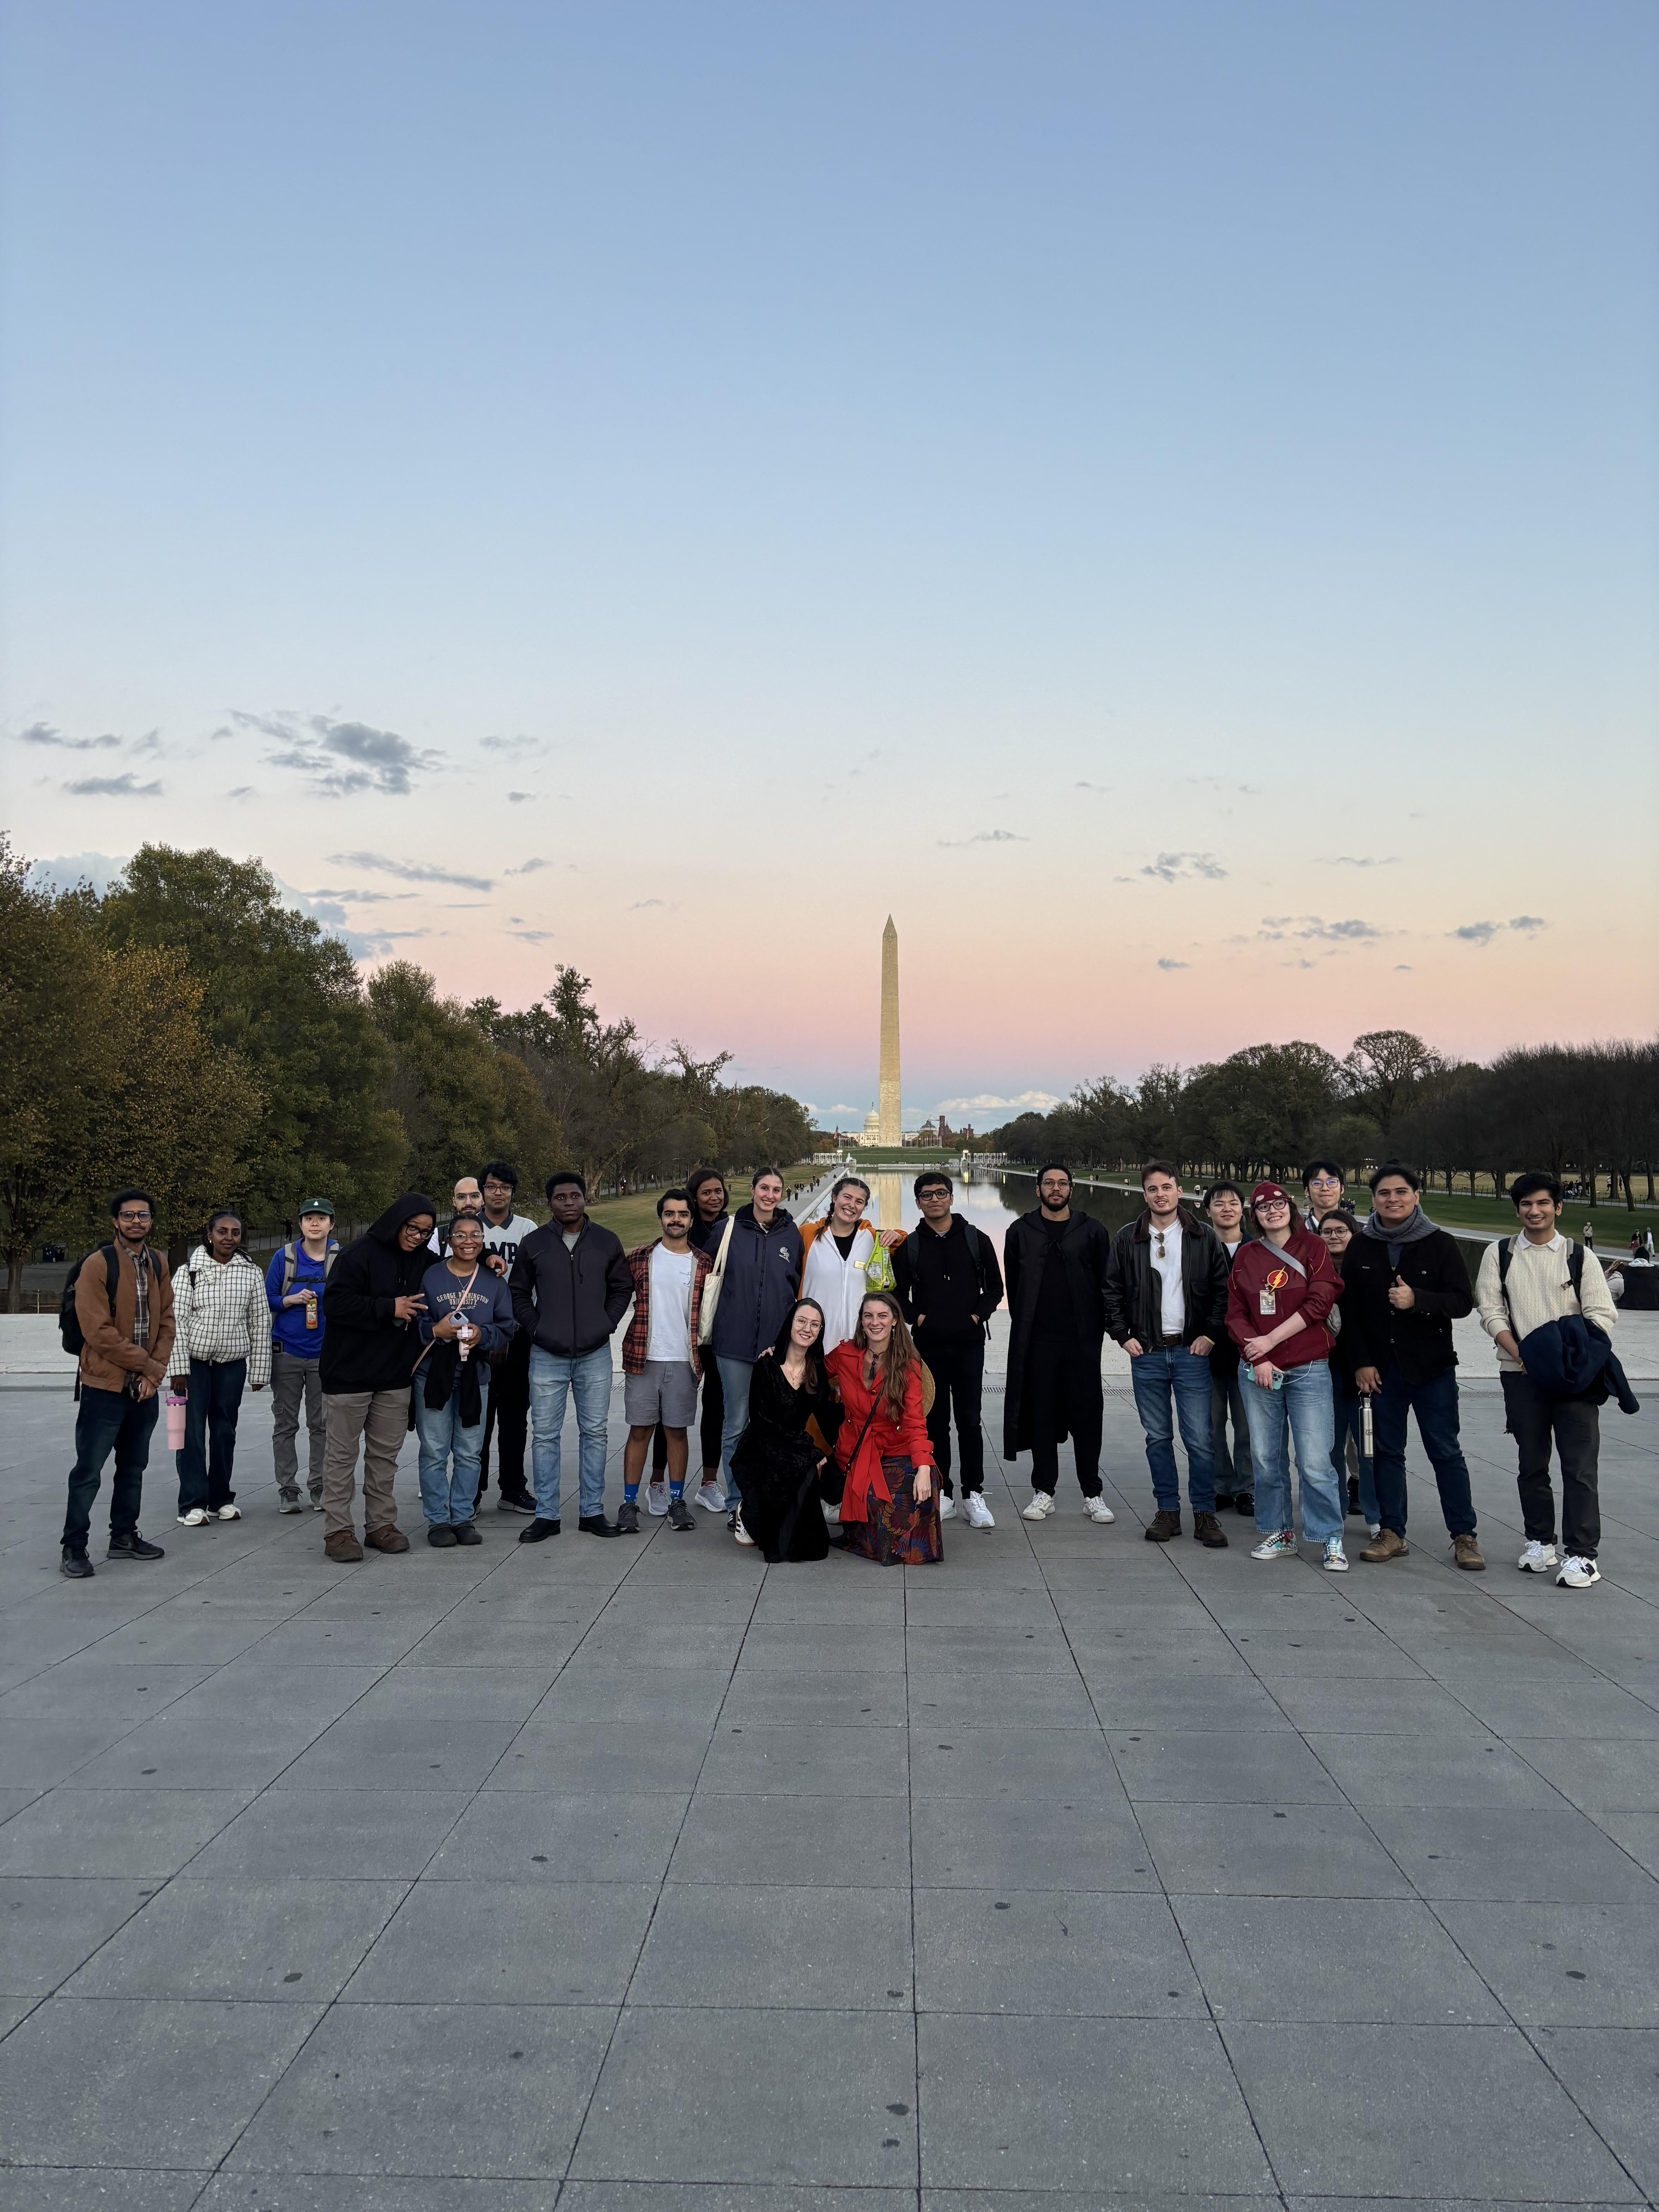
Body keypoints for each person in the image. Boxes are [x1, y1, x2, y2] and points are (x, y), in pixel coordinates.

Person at [1476, 1172, 1619, 1590]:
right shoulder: (1499, 1254)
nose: (1534, 1211)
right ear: (1517, 1208)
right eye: (1525, 1204)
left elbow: (1600, 1315)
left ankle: (1582, 1555)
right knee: (1532, 1462)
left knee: (1578, 1467)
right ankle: (1540, 1540)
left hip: (1574, 1376)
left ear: (1558, 1207)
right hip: (1520, 1374)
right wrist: (1524, 1354)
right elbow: (1490, 1309)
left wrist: (1566, 1357)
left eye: (1542, 1203)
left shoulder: (1579, 1256)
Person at [1341, 1164, 1482, 1570]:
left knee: (1446, 1451)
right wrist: (1362, 1363)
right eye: (1384, 1193)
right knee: (1386, 1454)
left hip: (1431, 1368)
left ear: (1417, 1197)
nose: (1393, 1199)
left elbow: (1461, 1302)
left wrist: (1417, 1299)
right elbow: (1349, 1311)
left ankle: (1464, 1535)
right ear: (1374, 1201)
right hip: (1381, 1371)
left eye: (1402, 1192)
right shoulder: (1362, 1246)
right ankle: (1392, 1532)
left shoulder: (1440, 1244)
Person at [1104, 1161, 1230, 1546]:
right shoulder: (1128, 1238)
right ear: (1144, 1194)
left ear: (1180, 1191)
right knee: (1158, 1437)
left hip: (1192, 1351)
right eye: (1153, 1189)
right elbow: (1111, 1291)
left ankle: (1205, 1514)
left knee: (1200, 1439)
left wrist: (1210, 1334)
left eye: (1167, 1187)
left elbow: (1223, 1292)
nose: (1161, 1194)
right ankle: (1168, 1511)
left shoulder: (1203, 1237)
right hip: (1148, 1354)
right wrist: (1122, 1335)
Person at [1225, 1180, 1347, 1569]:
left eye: (1278, 1204)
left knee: (1314, 1460)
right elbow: (1235, 1313)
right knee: (1266, 1457)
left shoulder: (1312, 1247)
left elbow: (1320, 1299)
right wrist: (1257, 1357)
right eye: (1263, 1207)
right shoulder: (1247, 1254)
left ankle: (1330, 1536)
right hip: (1259, 1371)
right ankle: (1280, 1531)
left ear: (1290, 1208)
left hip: (1308, 1367)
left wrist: (1270, 1341)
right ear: (1254, 1216)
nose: (1272, 1211)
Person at [510, 1170, 632, 1542]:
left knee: (594, 1433)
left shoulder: (606, 1242)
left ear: (584, 1199)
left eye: (574, 1196)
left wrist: (606, 1324)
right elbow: (518, 1294)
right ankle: (547, 1514)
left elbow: (622, 1287)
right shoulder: (534, 1244)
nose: (568, 1202)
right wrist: (538, 1328)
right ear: (550, 1203)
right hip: (547, 1354)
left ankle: (592, 1511)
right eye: (560, 1197)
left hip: (594, 1355)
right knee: (545, 1436)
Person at [59, 1188, 175, 1580]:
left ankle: (123, 1536)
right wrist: (147, 1368)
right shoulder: (98, 1264)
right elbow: (98, 1331)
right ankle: (74, 1545)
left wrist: (152, 1375)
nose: (136, 1222)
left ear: (151, 1221)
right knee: (89, 1470)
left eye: (143, 1215)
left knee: (133, 1467)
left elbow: (168, 1322)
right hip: (104, 1386)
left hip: (145, 1388)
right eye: (128, 1216)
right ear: (115, 1222)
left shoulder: (159, 1262)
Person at [318, 1193, 437, 1561]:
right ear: (396, 1221)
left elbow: (456, 1271)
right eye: (412, 1228)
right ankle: (338, 1531)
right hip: (348, 1374)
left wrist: (487, 1259)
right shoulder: (358, 1254)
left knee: (385, 1457)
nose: (417, 1236)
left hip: (394, 1376)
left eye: (425, 1232)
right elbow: (334, 1304)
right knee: (341, 1457)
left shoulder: (427, 1262)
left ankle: (380, 1526)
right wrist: (390, 1308)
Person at [893, 1170, 1004, 1530]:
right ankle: (942, 1493)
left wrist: (976, 1316)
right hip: (928, 1347)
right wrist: (918, 1318)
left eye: (941, 1193)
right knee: (933, 1422)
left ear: (952, 1198)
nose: (935, 1200)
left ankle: (974, 1494)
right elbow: (896, 1294)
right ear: (918, 1202)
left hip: (969, 1345)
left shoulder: (976, 1238)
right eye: (927, 1195)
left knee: (970, 1422)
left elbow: (996, 1288)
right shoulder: (911, 1245)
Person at [1004, 1165, 1115, 1523]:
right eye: (1049, 1184)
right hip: (1037, 1341)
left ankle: (1092, 1492)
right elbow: (1015, 1284)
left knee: (1087, 1415)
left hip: (1082, 1340)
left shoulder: (1093, 1230)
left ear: (1072, 1189)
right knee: (1042, 1414)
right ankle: (1044, 1491)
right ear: (1037, 1190)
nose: (1056, 1189)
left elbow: (1106, 1283)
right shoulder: (1020, 1231)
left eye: (1062, 1184)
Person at [703, 1166, 804, 1531]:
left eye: (777, 1190)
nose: (770, 1195)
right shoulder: (727, 1229)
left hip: (775, 1348)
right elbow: (705, 1276)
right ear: (752, 1189)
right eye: (765, 1188)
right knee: (736, 1424)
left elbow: (795, 1284)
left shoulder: (791, 1233)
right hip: (733, 1343)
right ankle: (737, 1502)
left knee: (773, 1426)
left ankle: (769, 1497)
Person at [413, 1212, 517, 1546]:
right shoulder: (430, 1277)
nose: (468, 1241)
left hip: (477, 1375)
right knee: (434, 1450)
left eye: (475, 1235)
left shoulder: (493, 1282)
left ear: (483, 1241)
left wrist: (480, 1335)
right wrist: (436, 1330)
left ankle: (462, 1516)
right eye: (460, 1235)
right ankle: (437, 1520)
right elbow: (414, 1324)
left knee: (471, 1450)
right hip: (435, 1374)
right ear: (448, 1240)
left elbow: (506, 1327)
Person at [618, 1189, 715, 1535]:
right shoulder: (639, 1258)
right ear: (660, 1218)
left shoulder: (704, 1263)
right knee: (640, 1430)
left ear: (691, 1219)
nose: (676, 1220)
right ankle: (629, 1503)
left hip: (684, 1359)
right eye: (670, 1214)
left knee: (677, 1431)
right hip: (644, 1357)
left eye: (683, 1214)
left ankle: (677, 1500)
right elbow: (614, 1297)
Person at [169, 1209, 270, 1527]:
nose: (229, 1238)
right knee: (192, 1434)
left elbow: (260, 1321)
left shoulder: (251, 1272)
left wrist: (259, 1371)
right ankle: (192, 1504)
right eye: (223, 1232)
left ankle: (220, 1498)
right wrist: (178, 1367)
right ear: (210, 1235)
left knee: (225, 1432)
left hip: (231, 1365)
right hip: (194, 1366)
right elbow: (176, 1321)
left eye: (236, 1233)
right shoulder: (189, 1272)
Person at [824, 1291, 941, 1564]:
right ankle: (879, 1541)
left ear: (895, 1321)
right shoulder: (844, 1354)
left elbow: (914, 1421)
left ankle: (904, 1546)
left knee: (925, 1480)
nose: (875, 1322)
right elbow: (809, 1367)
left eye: (882, 1316)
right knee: (879, 1495)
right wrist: (778, 1354)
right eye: (868, 1316)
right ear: (861, 1321)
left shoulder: (908, 1365)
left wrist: (924, 1466)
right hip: (855, 1448)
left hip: (894, 1446)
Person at [729, 1298, 842, 1561]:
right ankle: (748, 1511)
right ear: (790, 1323)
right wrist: (810, 1451)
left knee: (814, 1548)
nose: (808, 1328)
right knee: (804, 1465)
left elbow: (828, 1417)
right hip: (761, 1446)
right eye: (802, 1321)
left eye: (815, 1324)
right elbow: (761, 1423)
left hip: (793, 1448)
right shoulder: (766, 1366)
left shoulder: (816, 1371)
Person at [648, 1166, 731, 1516]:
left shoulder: (733, 1227)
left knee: (716, 1407)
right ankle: (657, 1481)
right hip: (681, 1333)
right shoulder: (683, 1230)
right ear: (694, 1197)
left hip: (718, 1332)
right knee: (666, 1413)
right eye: (706, 1193)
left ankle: (709, 1482)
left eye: (719, 1191)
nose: (714, 1197)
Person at [471, 1161, 539, 1515]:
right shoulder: (468, 1229)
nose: (498, 1193)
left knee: (515, 1416)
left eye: (505, 1188)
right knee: (478, 1416)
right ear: (482, 1190)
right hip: (475, 1335)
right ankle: (473, 1489)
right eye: (492, 1186)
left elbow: (535, 1284)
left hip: (518, 1333)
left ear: (513, 1192)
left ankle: (512, 1487)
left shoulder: (528, 1229)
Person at [264, 1199, 340, 1514]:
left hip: (326, 1354)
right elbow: (266, 1298)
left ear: (331, 1224)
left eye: (321, 1218)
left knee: (322, 1425)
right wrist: (290, 1299)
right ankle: (288, 1489)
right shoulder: (285, 1257)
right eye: (309, 1218)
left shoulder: (340, 1257)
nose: (315, 1224)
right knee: (285, 1425)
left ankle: (320, 1486)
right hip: (288, 1352)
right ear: (301, 1224)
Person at [1318, 1211, 1379, 1535]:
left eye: (1341, 1230)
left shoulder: (1367, 1270)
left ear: (1353, 1233)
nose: (1334, 1236)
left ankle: (1375, 1515)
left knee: (1368, 1447)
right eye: (1326, 1231)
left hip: (1362, 1370)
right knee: (1329, 1448)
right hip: (1324, 1370)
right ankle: (1334, 1510)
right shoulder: (1312, 1271)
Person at [799, 1175, 906, 1352]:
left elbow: (904, 1246)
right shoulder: (808, 1234)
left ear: (864, 1207)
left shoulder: (873, 1238)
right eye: (847, 1198)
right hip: (814, 1343)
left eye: (859, 1202)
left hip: (860, 1345)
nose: (851, 1205)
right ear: (834, 1198)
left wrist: (898, 1235)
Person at [1200, 1183, 1254, 1517]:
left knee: (1249, 1428)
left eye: (1233, 1203)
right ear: (1207, 1211)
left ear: (1243, 1209)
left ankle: (1247, 1487)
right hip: (1207, 1350)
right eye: (1219, 1204)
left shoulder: (1258, 1248)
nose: (1227, 1209)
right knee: (1211, 1425)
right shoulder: (1198, 1248)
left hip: (1249, 1352)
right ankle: (1221, 1484)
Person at [1301, 1161, 1353, 1234]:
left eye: (1332, 1182)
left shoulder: (1357, 1232)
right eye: (1317, 1183)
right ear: (1307, 1191)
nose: (1325, 1188)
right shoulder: (1295, 1234)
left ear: (1342, 1188)